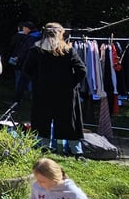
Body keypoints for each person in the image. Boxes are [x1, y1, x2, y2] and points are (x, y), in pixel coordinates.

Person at [23, 22, 87, 156]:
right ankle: (77, 151)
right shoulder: (68, 50)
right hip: (65, 92)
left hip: (43, 91)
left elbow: (27, 69)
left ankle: (43, 147)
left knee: (42, 119)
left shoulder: (36, 49)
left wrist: (38, 80)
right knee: (69, 120)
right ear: (60, 34)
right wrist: (71, 83)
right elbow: (81, 70)